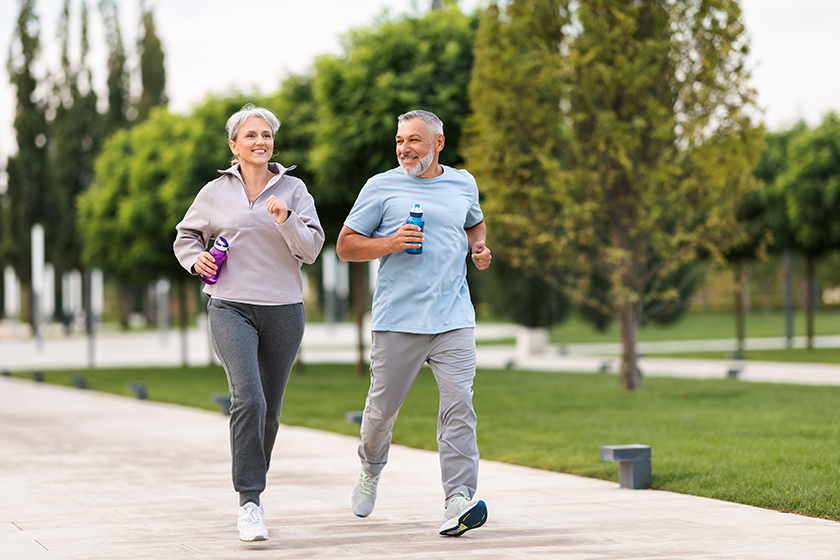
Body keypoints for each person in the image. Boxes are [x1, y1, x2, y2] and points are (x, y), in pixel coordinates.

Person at [336, 109, 492, 536]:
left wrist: (479, 248)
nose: (405, 148)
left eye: (414, 140)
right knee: (382, 412)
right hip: (398, 321)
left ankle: (458, 498)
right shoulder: (380, 187)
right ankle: (370, 469)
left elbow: (474, 223)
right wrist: (390, 242)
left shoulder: (463, 183)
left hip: (453, 318)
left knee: (459, 405)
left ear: (438, 143)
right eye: (400, 141)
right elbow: (345, 246)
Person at [173, 104, 324, 542]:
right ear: (234, 146)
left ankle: (254, 486)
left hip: (283, 309)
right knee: (249, 400)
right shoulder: (214, 192)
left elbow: (311, 249)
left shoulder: (294, 189)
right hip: (230, 306)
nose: (261, 142)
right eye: (251, 135)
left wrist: (286, 220)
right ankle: (250, 502)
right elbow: (186, 236)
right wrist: (195, 260)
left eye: (267, 135)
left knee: (270, 413)